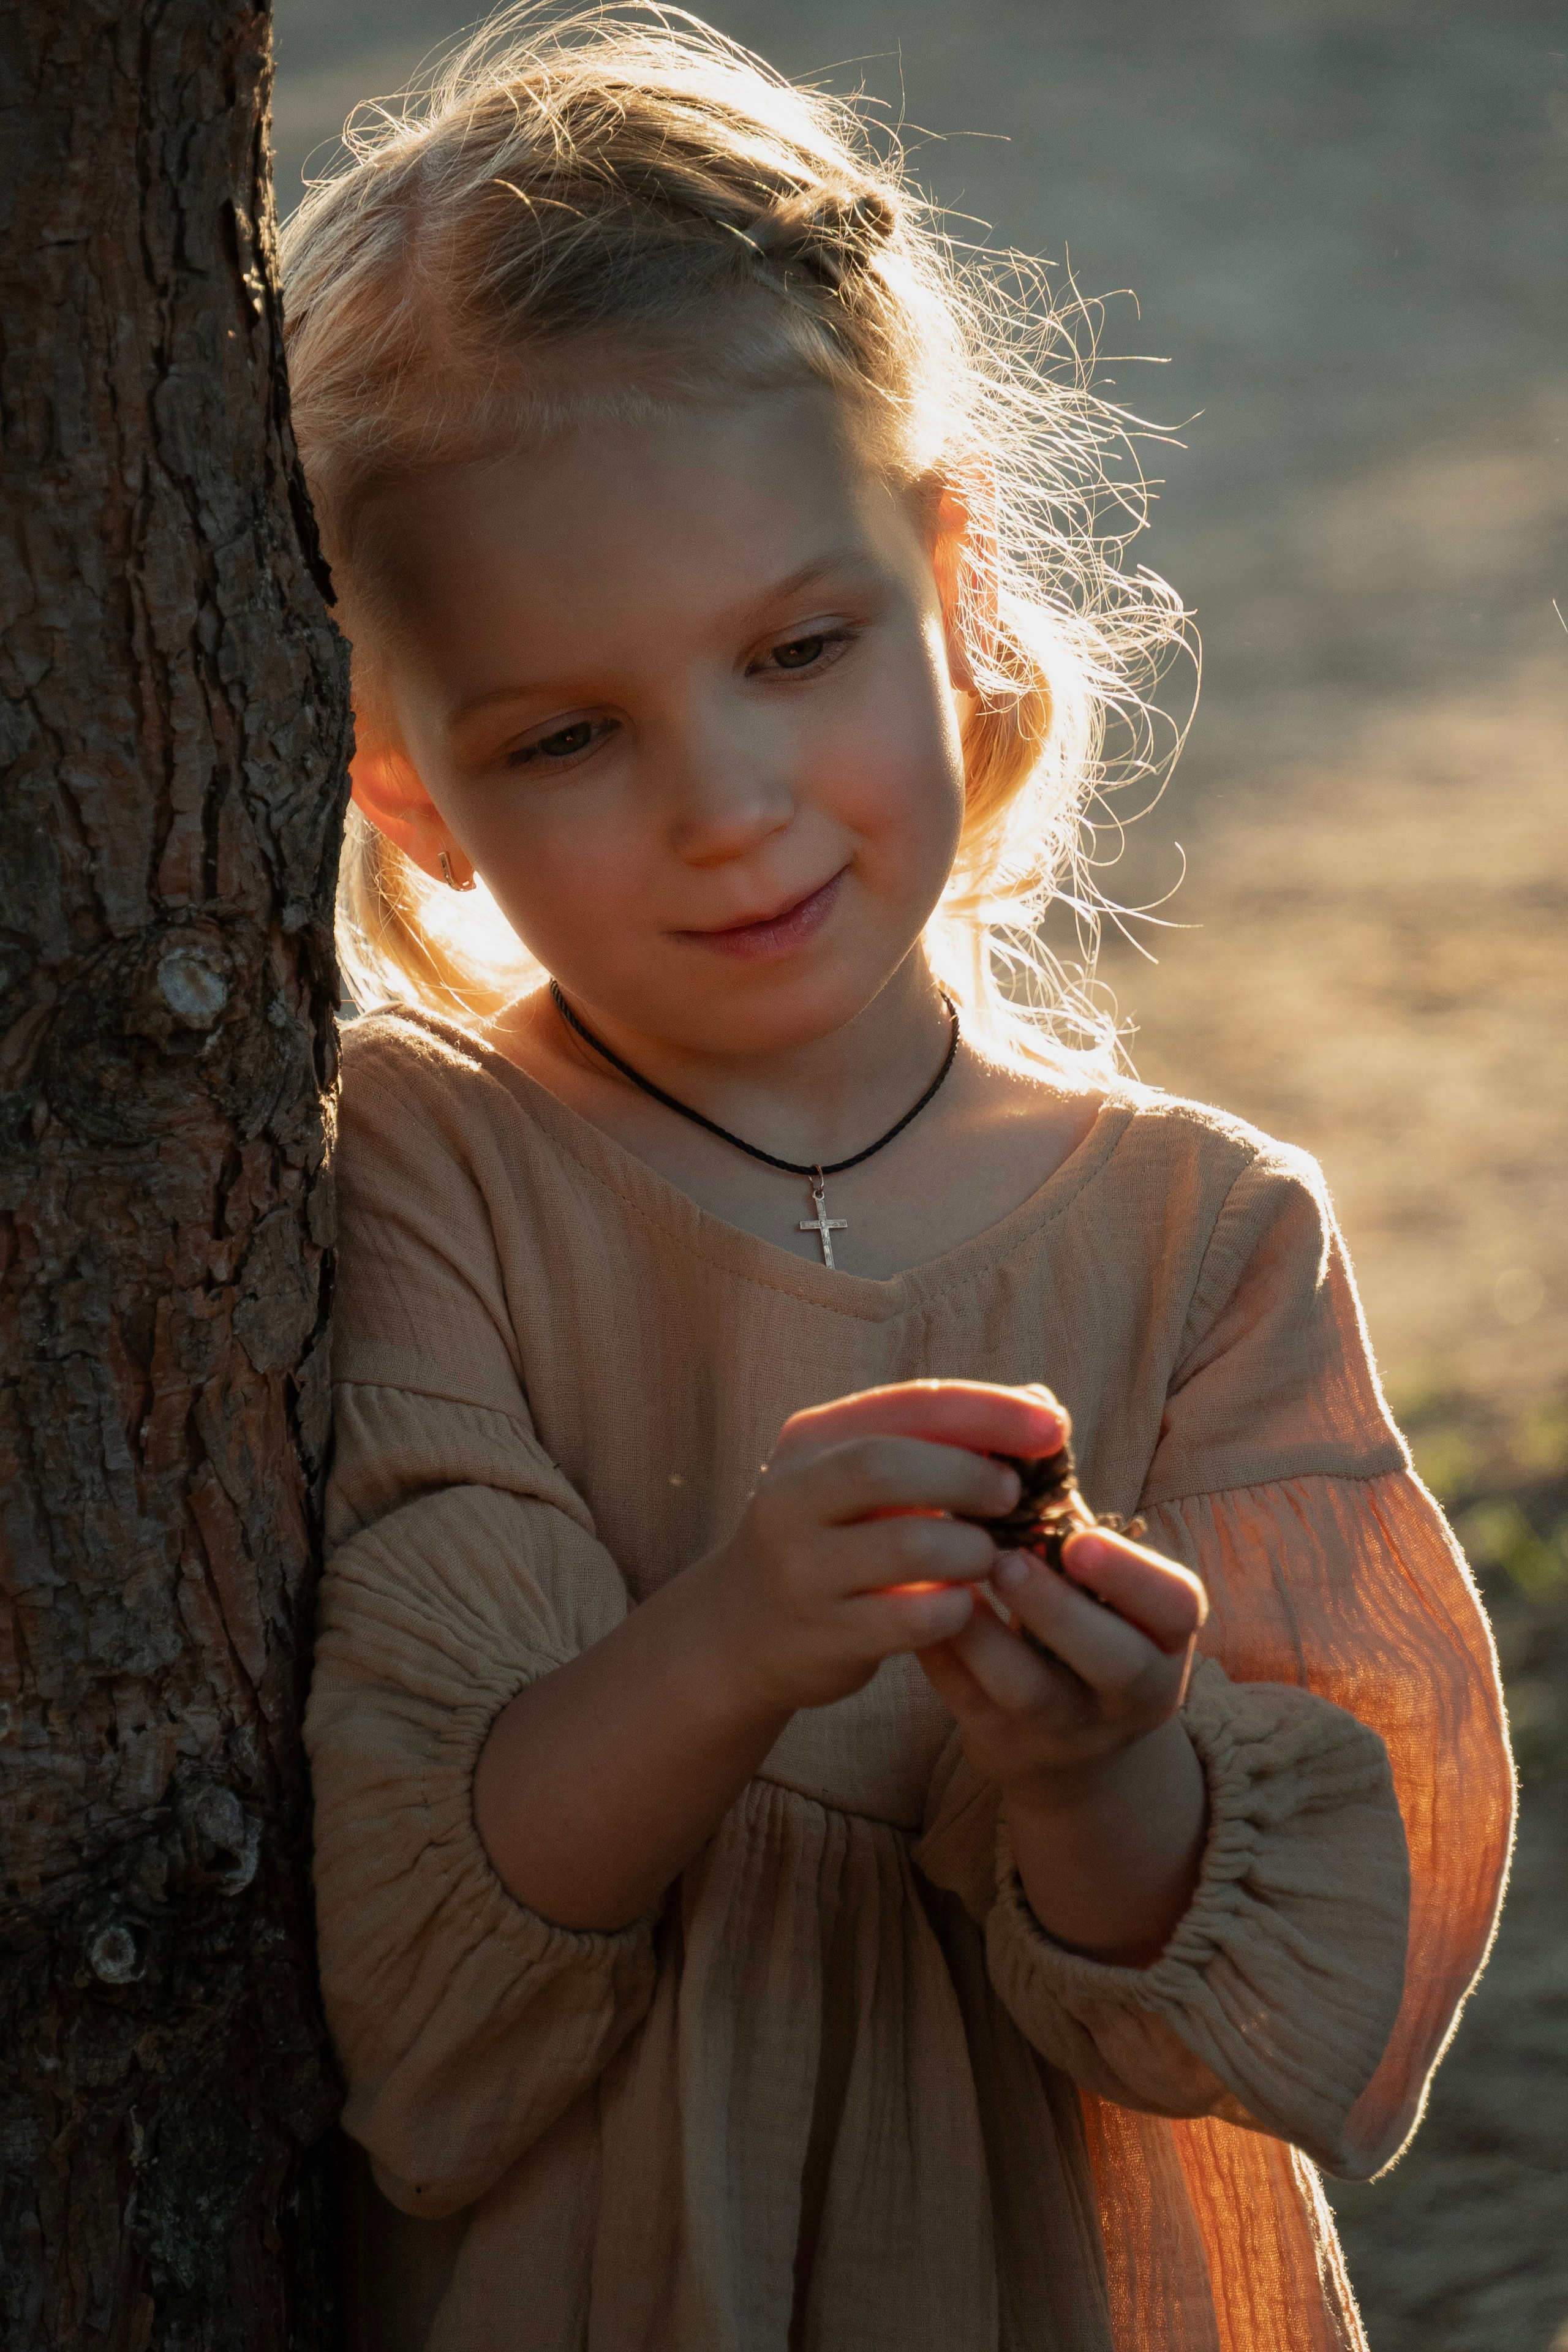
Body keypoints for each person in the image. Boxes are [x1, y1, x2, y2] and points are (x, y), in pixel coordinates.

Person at [284, 9, 1513, 2347]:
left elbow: (1268, 2025)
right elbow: (423, 1984)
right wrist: (736, 1634)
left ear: (946, 579)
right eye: (566, 734)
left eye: (798, 647)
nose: (726, 800)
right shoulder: (424, 1168)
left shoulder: (1201, 1238)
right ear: (401, 784)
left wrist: (1099, 1769)